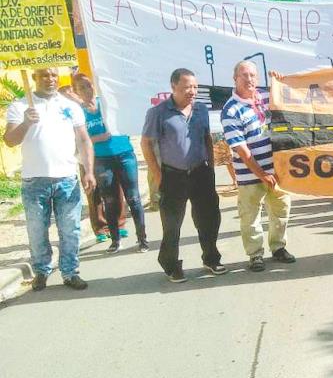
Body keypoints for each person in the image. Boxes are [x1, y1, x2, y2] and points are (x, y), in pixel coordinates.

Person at [4, 68, 94, 291]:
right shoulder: (20, 105)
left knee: (70, 229)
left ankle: (70, 272)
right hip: (34, 182)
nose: (50, 79)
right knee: (37, 231)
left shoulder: (70, 106)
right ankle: (41, 271)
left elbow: (83, 140)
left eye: (53, 75)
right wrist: (26, 123)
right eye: (44, 75)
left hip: (66, 178)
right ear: (34, 78)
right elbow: (10, 141)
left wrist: (89, 170)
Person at [141, 68, 225, 283]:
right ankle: (172, 266)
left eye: (195, 87)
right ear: (173, 87)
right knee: (172, 225)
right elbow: (146, 144)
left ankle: (211, 258)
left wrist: (211, 167)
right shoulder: (158, 113)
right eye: (187, 86)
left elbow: (207, 137)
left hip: (200, 172)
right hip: (173, 176)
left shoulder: (201, 110)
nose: (192, 91)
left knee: (209, 219)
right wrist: (158, 175)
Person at [221, 61, 295, 272]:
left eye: (253, 75)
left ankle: (278, 248)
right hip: (250, 174)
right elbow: (242, 151)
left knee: (281, 211)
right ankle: (255, 255)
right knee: (250, 216)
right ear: (235, 79)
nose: (249, 79)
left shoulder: (265, 96)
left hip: (278, 171)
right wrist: (262, 175)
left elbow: (292, 102)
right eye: (244, 75)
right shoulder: (230, 110)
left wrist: (281, 82)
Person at [73, 73, 148, 254]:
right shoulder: (78, 112)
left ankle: (142, 239)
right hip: (101, 159)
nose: (86, 90)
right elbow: (78, 139)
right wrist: (97, 138)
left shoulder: (106, 103)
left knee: (134, 198)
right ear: (76, 91)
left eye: (88, 85)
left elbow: (125, 113)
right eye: (81, 87)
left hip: (124, 154)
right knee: (110, 200)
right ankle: (115, 240)